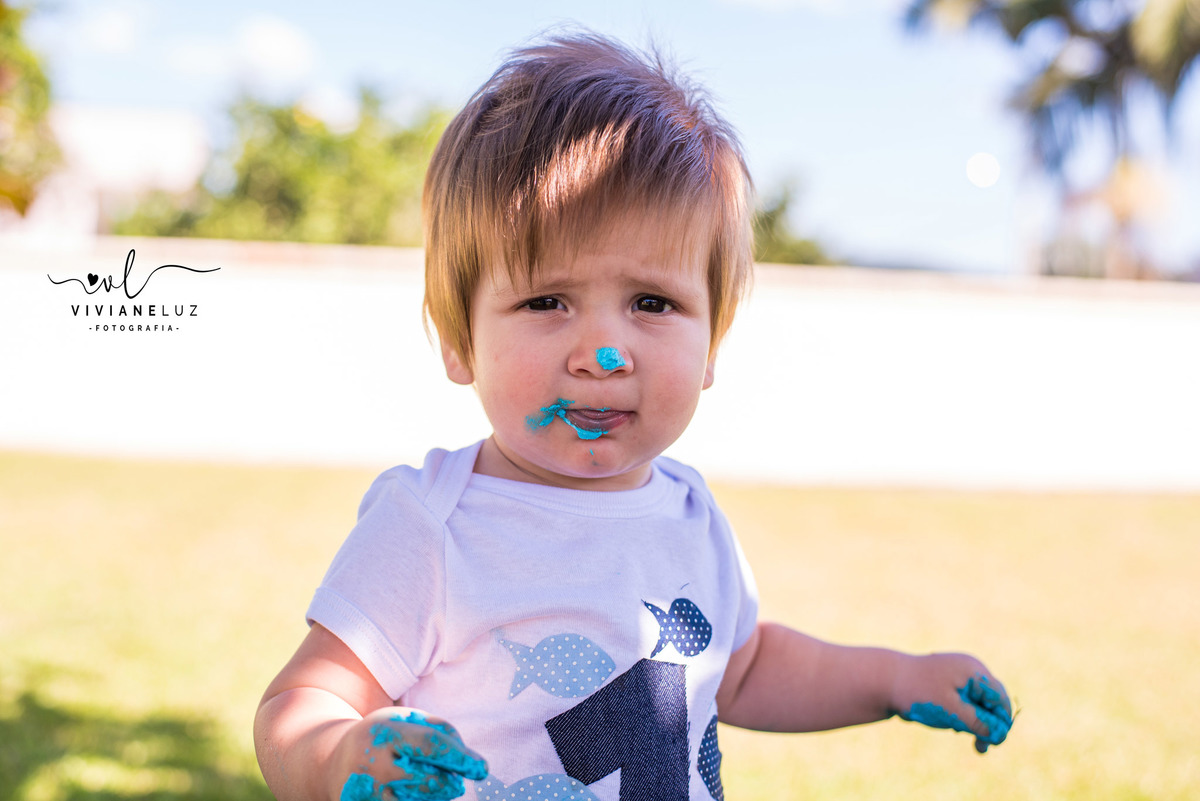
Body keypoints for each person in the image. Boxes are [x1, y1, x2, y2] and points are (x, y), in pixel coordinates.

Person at [254, 30, 1013, 801]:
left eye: (652, 302)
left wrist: (895, 678)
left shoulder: (689, 513)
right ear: (459, 340)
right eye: (546, 300)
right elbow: (302, 700)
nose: (603, 353)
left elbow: (744, 667)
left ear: (712, 342)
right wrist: (341, 755)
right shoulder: (434, 524)